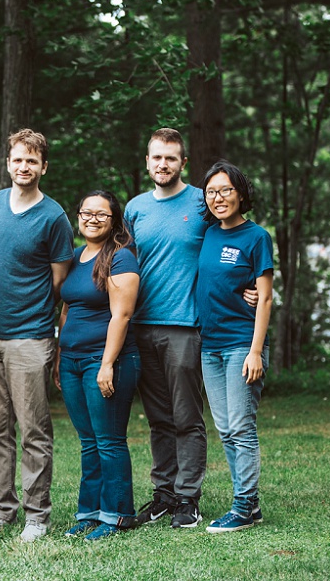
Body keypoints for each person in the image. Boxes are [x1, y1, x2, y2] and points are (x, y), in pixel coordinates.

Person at [123, 128, 258, 529]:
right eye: (156, 157)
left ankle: (188, 498)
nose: (163, 164)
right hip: (142, 326)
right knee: (158, 418)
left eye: (171, 158)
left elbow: (235, 244)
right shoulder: (134, 208)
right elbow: (124, 266)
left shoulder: (203, 202)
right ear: (147, 162)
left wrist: (249, 287)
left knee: (186, 417)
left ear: (184, 163)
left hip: (185, 325)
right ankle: (163, 493)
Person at [0, 129, 74, 542]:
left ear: (43, 167)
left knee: (33, 429)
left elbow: (58, 283)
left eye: (32, 161)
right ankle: (3, 510)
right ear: (9, 162)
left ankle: (37, 515)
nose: (23, 167)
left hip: (30, 337)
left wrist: (48, 334)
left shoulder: (54, 217)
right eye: (17, 160)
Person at [55, 190, 141, 541]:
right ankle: (89, 513)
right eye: (86, 212)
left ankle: (119, 515)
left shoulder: (121, 259)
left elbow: (121, 315)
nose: (92, 218)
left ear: (114, 220)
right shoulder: (75, 257)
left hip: (105, 360)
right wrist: (61, 355)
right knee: (88, 440)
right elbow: (67, 307)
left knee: (109, 439)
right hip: (72, 360)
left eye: (101, 214)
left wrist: (107, 364)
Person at [196, 161, 273, 533]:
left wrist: (256, 350)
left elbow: (267, 298)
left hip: (241, 344)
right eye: (212, 192)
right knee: (225, 428)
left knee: (241, 427)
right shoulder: (208, 233)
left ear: (241, 193)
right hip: (209, 346)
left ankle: (244, 508)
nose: (218, 198)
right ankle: (250, 505)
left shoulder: (257, 237)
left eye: (226, 190)